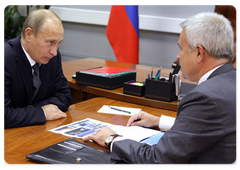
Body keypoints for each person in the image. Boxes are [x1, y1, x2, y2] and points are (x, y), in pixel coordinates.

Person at [83, 12, 237, 164]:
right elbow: (206, 126)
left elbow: (158, 159)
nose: (177, 56)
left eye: (181, 49)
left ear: (198, 53)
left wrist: (111, 139)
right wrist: (159, 121)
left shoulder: (205, 97)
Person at [2, 9, 72, 129]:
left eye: (58, 43)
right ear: (29, 34)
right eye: (50, 42)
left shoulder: (52, 58)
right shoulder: (3, 59)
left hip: (36, 130)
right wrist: (41, 112)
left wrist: (32, 110)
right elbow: (2, 116)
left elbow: (65, 95)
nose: (54, 52)